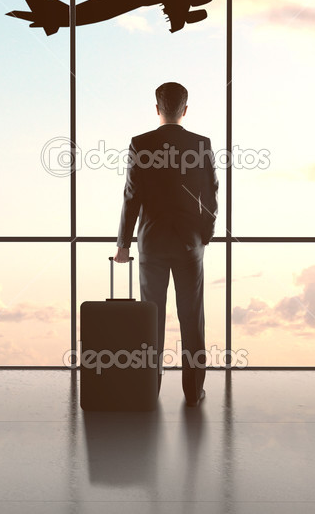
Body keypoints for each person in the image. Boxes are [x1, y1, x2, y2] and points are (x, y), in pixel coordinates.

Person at [113, 81, 218, 406]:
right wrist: (205, 234)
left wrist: (124, 243)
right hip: (189, 242)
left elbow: (132, 196)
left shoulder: (140, 143)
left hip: (152, 242)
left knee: (151, 318)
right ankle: (193, 391)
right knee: (192, 317)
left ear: (157, 109)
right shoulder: (201, 144)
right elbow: (211, 193)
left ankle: (150, 388)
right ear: (184, 110)